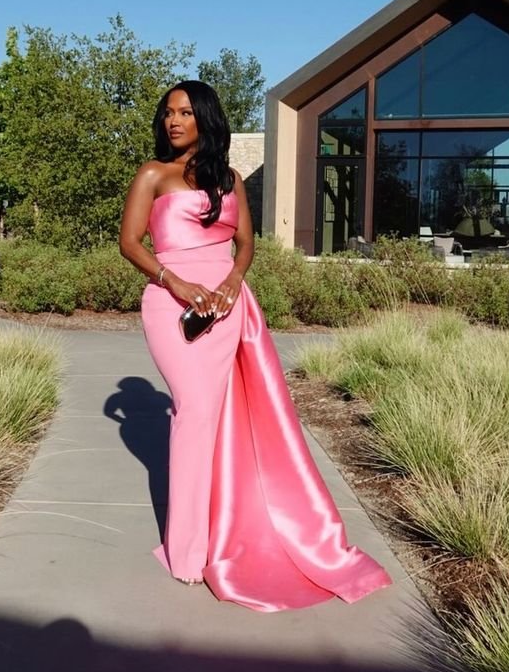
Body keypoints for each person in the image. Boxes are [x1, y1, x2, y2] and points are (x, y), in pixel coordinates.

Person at [119, 80, 391, 612]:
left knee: (228, 416)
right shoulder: (152, 175)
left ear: (204, 119)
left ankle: (226, 526)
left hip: (226, 304)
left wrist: (231, 283)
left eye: (184, 113)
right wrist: (176, 283)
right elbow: (130, 243)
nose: (173, 122)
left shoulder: (231, 180)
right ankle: (188, 548)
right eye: (167, 113)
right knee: (195, 412)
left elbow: (245, 246)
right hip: (172, 304)